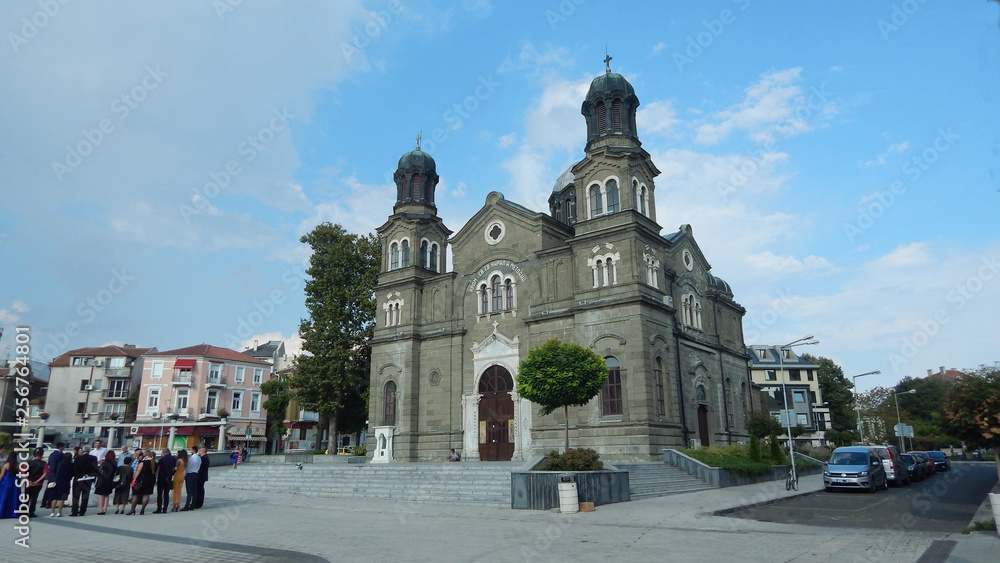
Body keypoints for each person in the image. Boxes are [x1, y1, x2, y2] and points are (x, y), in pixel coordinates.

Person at [71, 446, 99, 517]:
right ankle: (82, 511)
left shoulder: (78, 458)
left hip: (78, 478)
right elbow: (95, 468)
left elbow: (75, 469)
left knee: (76, 495)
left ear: (82, 451)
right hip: (88, 479)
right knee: (85, 495)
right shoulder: (93, 458)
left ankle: (74, 511)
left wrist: (80, 475)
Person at [127, 449, 154, 515]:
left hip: (141, 479)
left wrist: (134, 478)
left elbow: (138, 471)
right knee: (146, 494)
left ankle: (133, 509)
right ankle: (142, 509)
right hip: (150, 479)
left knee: (135, 494)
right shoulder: (153, 462)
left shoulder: (143, 462)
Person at [50, 447, 74, 517]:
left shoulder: (59, 464)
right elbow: (72, 474)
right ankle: (59, 512)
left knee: (55, 497)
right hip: (65, 482)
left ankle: (52, 512)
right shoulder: (71, 465)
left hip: (57, 481)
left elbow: (53, 471)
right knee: (62, 498)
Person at [40, 442, 65, 509]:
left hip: (50, 473)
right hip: (56, 474)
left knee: (48, 488)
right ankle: (49, 503)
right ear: (61, 447)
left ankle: (43, 502)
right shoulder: (60, 454)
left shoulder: (52, 454)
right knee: (53, 489)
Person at [26, 448, 48, 518]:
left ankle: (23, 511)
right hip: (38, 484)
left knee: (26, 498)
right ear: (42, 454)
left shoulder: (29, 463)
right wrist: (37, 481)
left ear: (34, 454)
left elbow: (23, 472)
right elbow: (45, 473)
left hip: (28, 483)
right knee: (34, 498)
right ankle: (31, 512)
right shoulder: (44, 463)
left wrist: (29, 480)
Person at [94, 450, 117, 515]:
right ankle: (104, 509)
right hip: (110, 480)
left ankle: (100, 509)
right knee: (107, 495)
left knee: (101, 495)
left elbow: (99, 470)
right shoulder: (114, 463)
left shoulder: (104, 463)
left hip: (102, 480)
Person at [154, 448, 176, 514]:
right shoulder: (173, 458)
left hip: (161, 477)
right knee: (166, 494)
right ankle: (165, 509)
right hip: (168, 478)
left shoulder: (162, 459)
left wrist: (155, 476)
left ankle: (159, 508)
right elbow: (173, 468)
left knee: (160, 494)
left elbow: (158, 468)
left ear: (164, 452)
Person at [0, 451, 19, 519]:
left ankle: (2, 512)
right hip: (15, 482)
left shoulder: (6, 465)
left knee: (4, 497)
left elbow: (2, 475)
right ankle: (12, 513)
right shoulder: (17, 464)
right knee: (13, 498)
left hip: (7, 482)